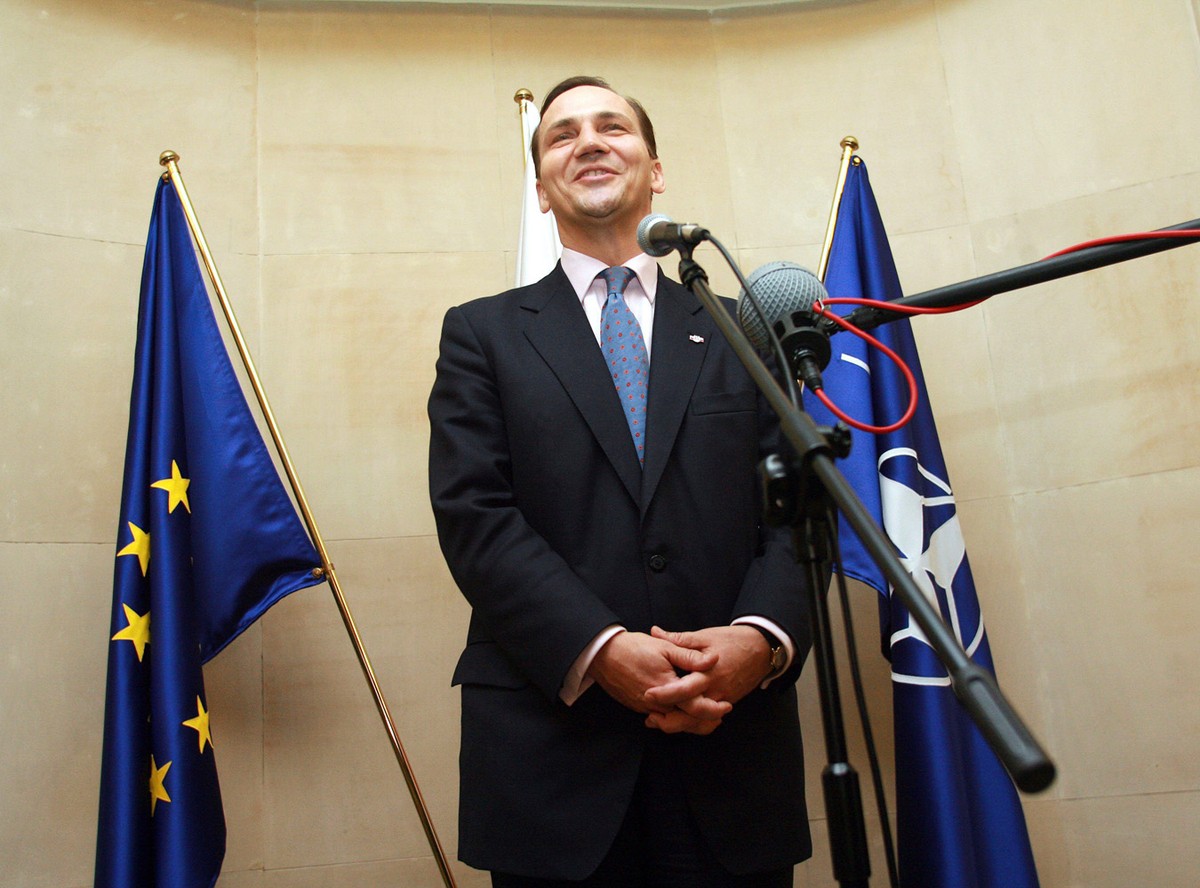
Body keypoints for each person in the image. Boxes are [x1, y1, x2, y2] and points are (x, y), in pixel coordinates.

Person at [428, 75, 816, 888]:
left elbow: (803, 511)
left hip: (730, 749)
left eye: (612, 126)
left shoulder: (742, 329)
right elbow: (476, 517)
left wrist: (760, 640)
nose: (589, 142)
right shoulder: (481, 334)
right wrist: (600, 648)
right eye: (562, 135)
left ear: (655, 170)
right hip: (552, 760)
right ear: (541, 189)